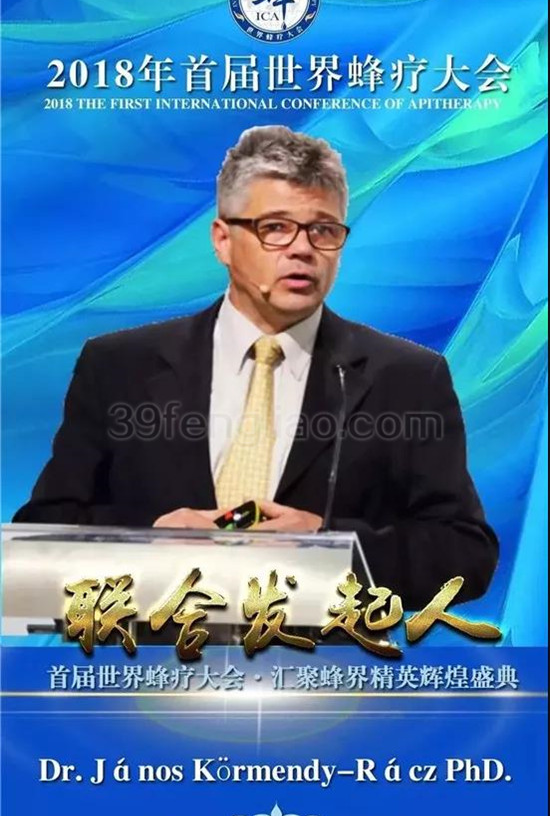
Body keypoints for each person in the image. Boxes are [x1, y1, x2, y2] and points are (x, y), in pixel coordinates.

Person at [13, 125, 498, 609]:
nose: (303, 249)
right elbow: (39, 541)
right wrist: (147, 538)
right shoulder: (119, 367)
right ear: (223, 240)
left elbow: (465, 554)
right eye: (276, 228)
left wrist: (329, 545)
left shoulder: (406, 378)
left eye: (324, 231)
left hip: (320, 652)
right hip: (153, 647)